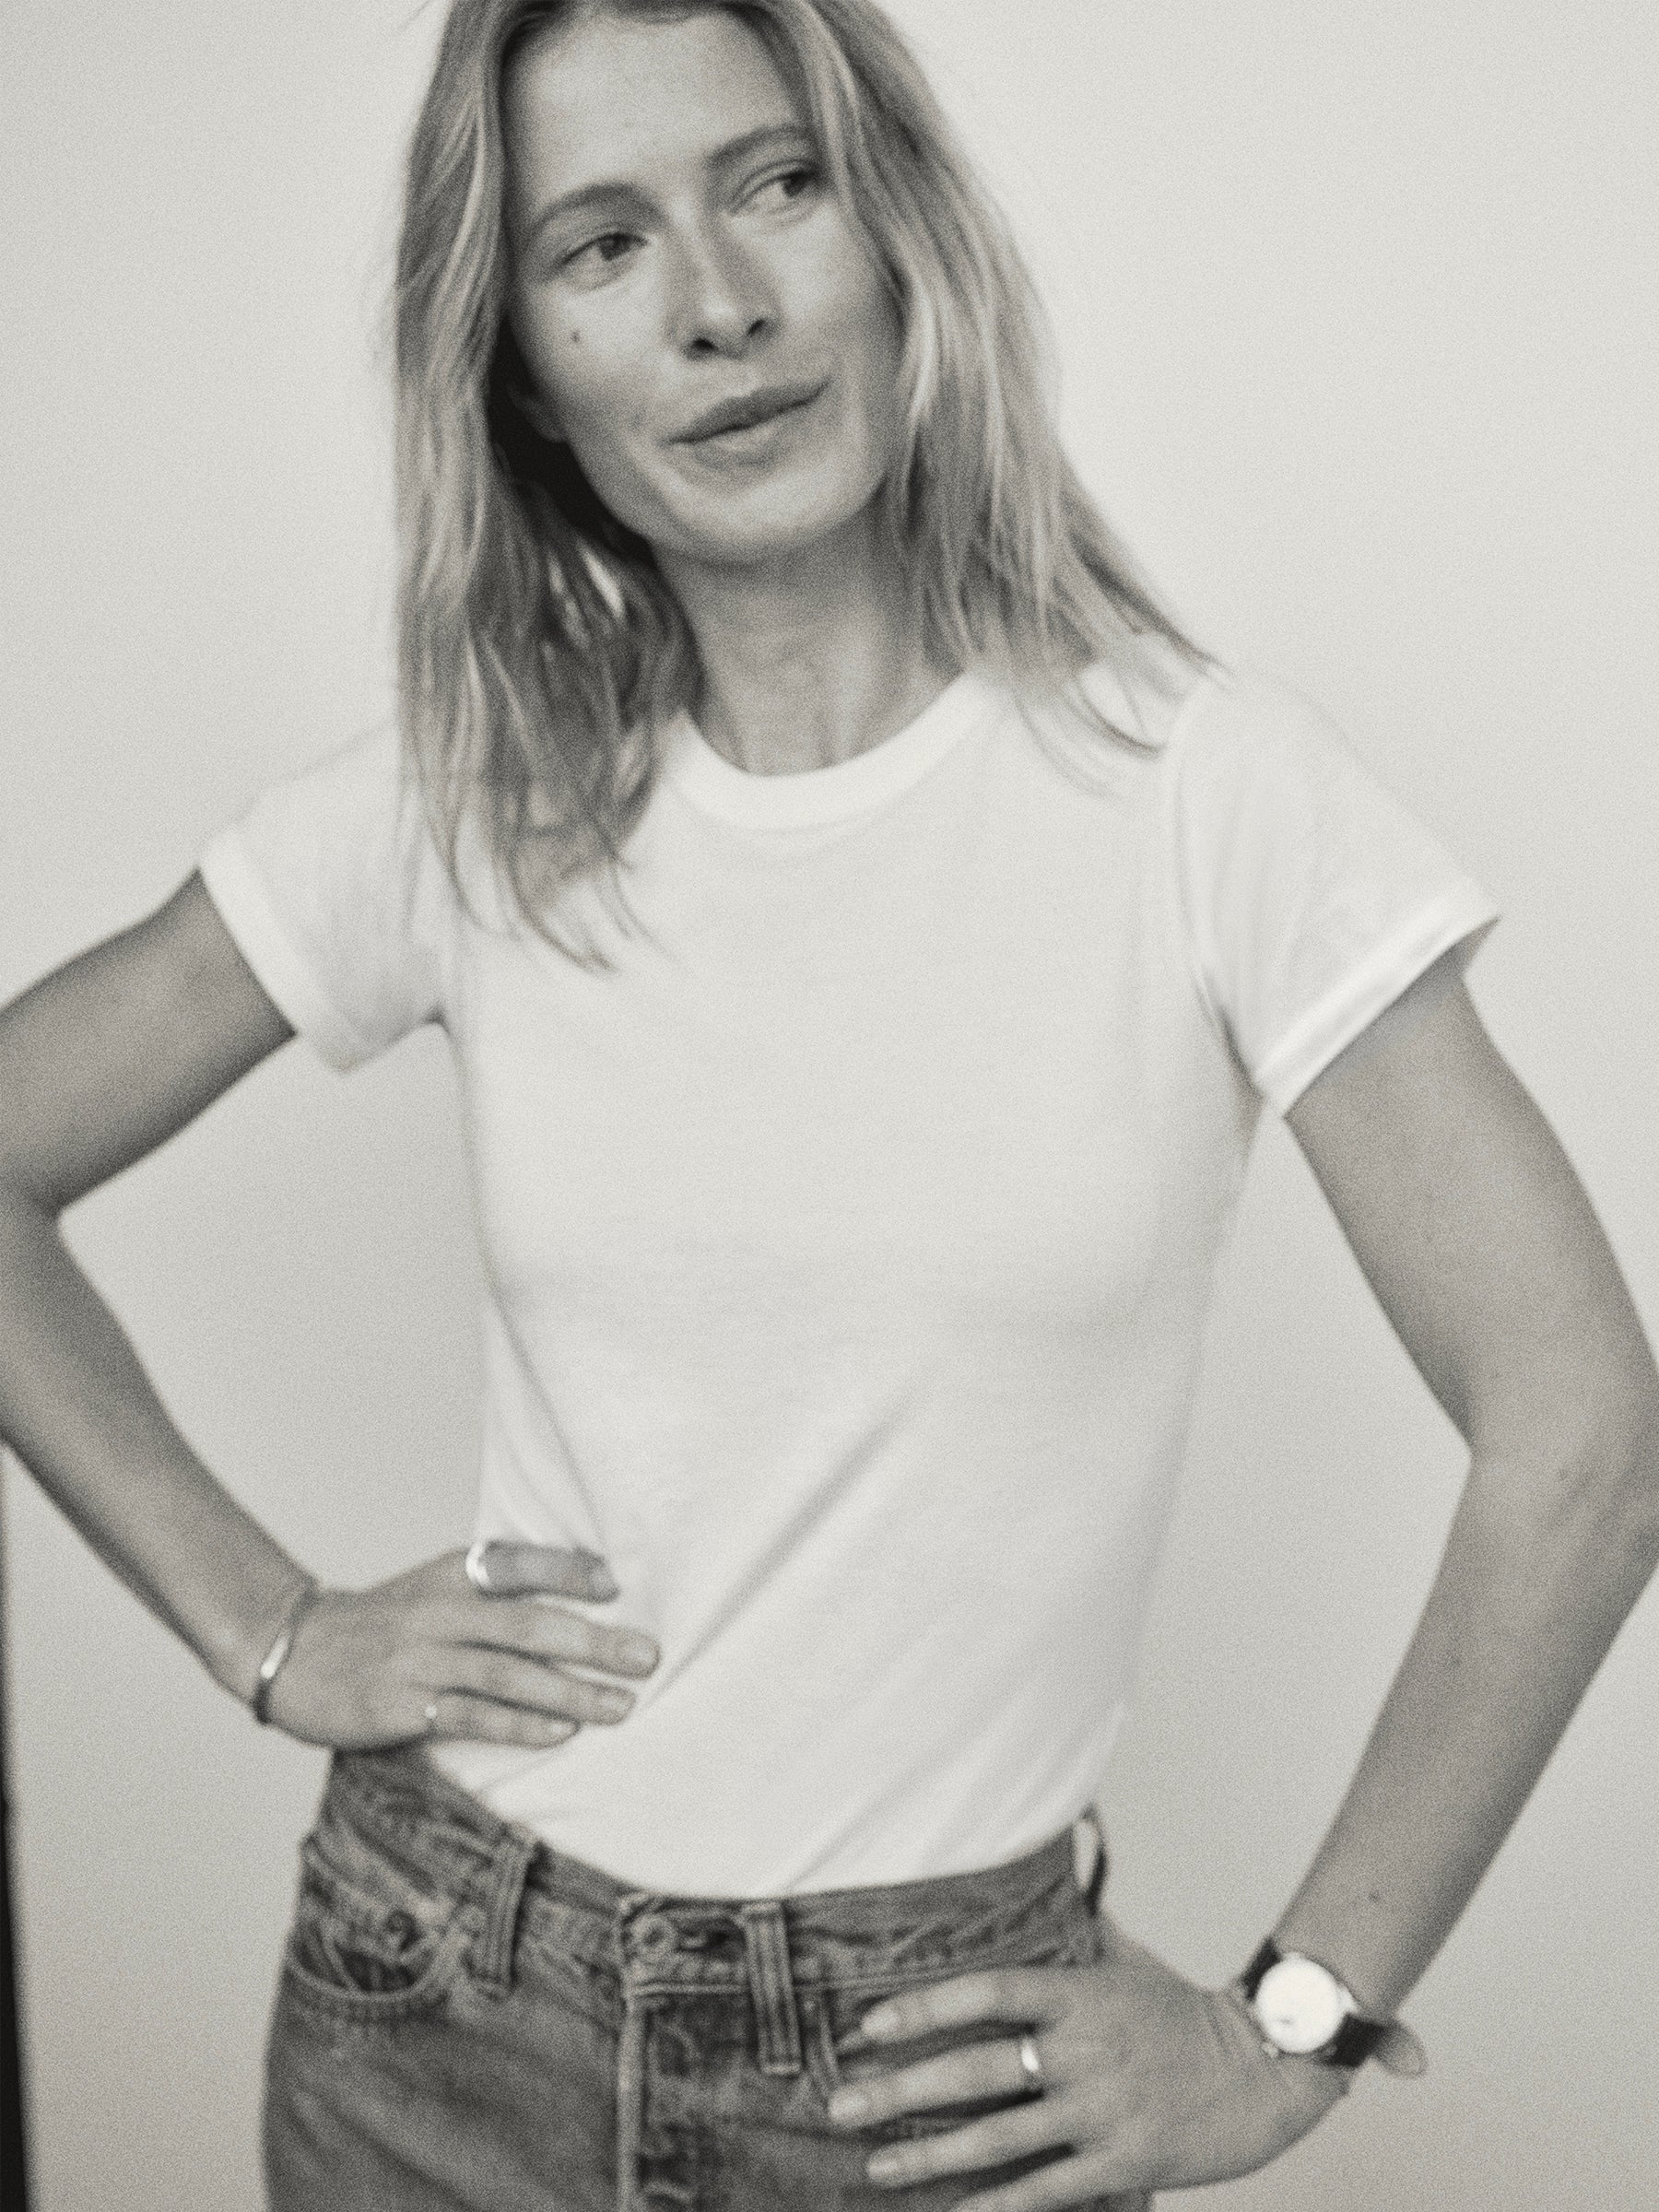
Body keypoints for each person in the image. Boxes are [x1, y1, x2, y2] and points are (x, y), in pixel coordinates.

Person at [1, 1, 1655, 2206]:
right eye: (599, 245)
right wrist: (268, 1624)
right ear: (524, 373)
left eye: (775, 184)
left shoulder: (1204, 794)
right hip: (437, 2011)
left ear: (897, 239)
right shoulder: (478, 804)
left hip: (931, 2080)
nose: (720, 305)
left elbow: (1582, 1423)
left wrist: (1292, 2026)